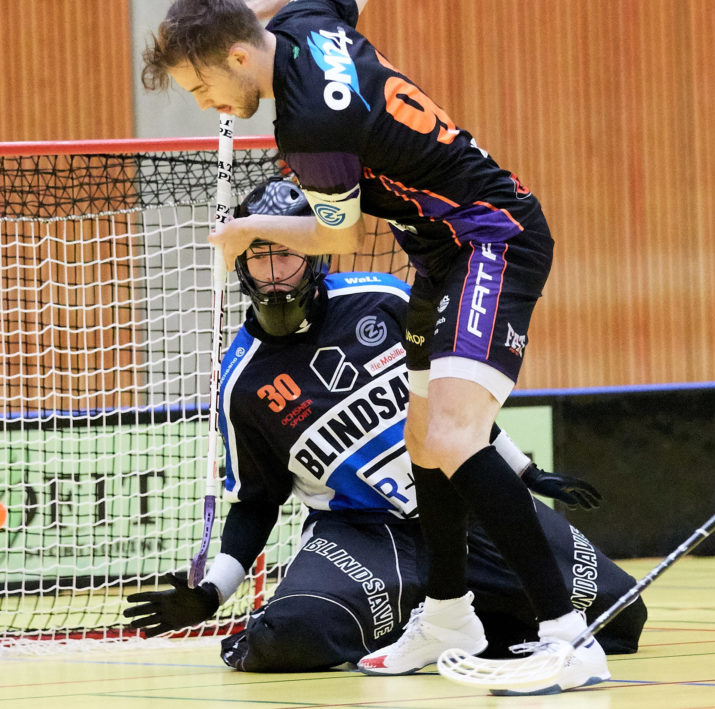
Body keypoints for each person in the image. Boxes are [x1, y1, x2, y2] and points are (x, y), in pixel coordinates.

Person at [140, 0, 605, 693]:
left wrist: (242, 232)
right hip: (440, 252)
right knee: (426, 438)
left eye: (202, 89)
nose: (211, 107)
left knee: (454, 437)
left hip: (490, 239)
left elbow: (338, 237)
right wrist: (241, 16)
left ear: (232, 57)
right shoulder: (308, 21)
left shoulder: (307, 129)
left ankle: (566, 638)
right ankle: (450, 616)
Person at [123, 179, 646, 676]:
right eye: (260, 258)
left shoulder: (384, 299)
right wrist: (212, 591)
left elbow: (454, 411)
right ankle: (412, 612)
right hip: (362, 536)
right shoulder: (241, 382)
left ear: (315, 257)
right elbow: (257, 502)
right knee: (283, 637)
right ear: (242, 266)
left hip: (459, 510)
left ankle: (444, 621)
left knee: (621, 616)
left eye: (285, 254)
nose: (275, 273)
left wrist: (525, 472)